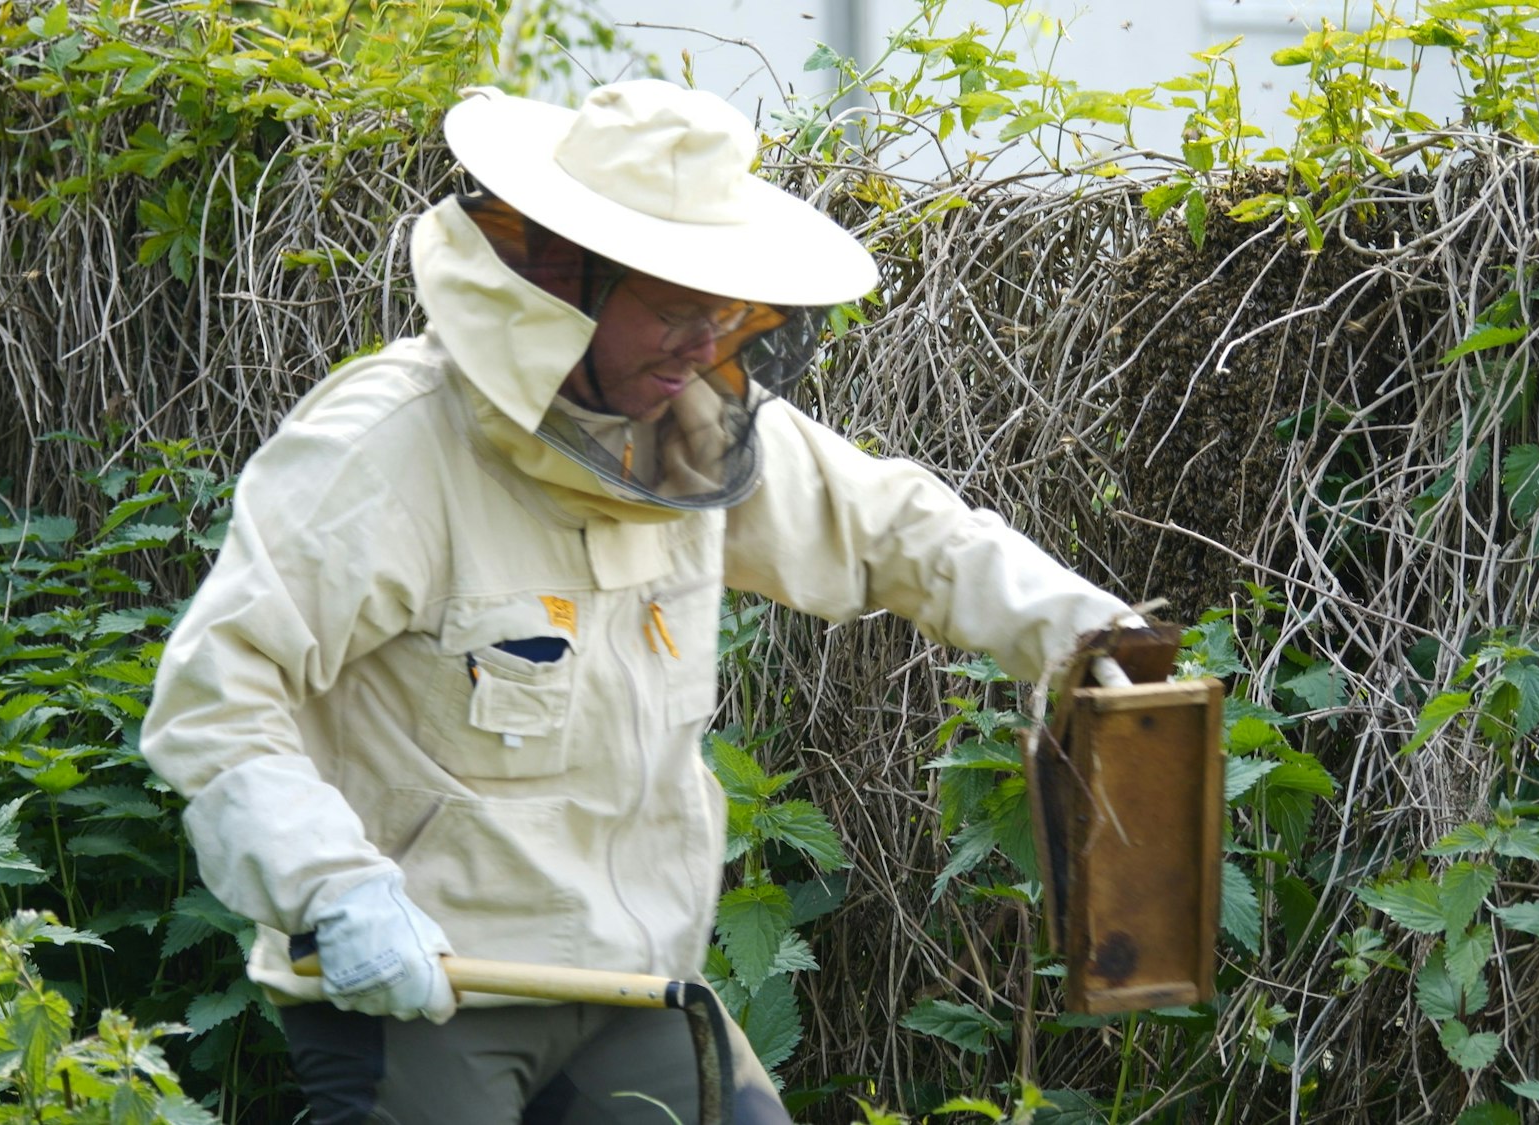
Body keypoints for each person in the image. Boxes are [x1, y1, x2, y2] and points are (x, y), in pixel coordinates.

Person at [140, 79, 1144, 1124]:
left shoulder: (692, 430)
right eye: (673, 308)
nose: (703, 345)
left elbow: (903, 532)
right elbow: (218, 695)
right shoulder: (385, 452)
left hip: (634, 984)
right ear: (564, 287)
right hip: (424, 992)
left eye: (725, 310)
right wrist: (330, 888)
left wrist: (1088, 635)